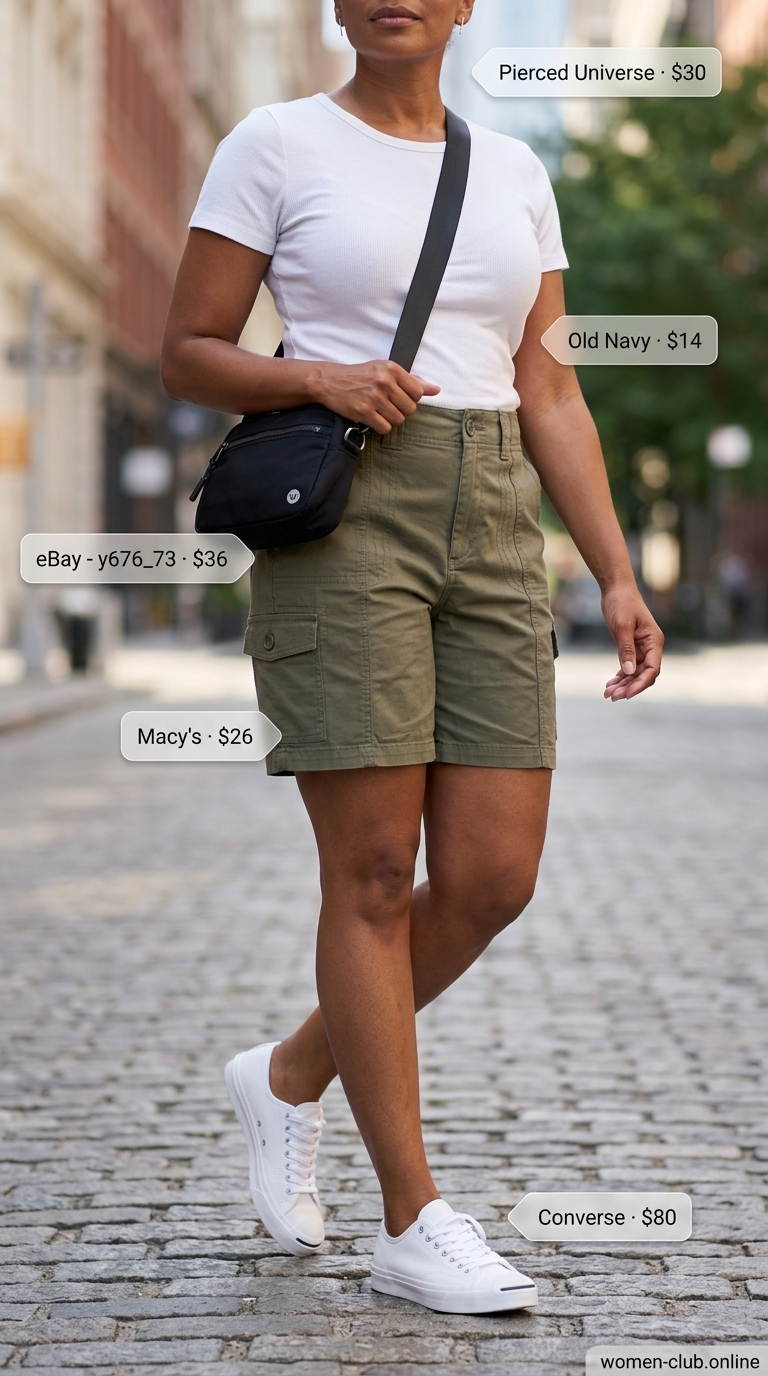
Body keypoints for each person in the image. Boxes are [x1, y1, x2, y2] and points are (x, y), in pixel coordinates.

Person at [161, 0, 663, 1316]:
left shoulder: (514, 172)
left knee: (493, 875)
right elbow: (188, 350)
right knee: (377, 870)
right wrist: (318, 379)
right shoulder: (272, 144)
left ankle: (286, 1073)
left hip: (496, 515)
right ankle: (411, 1216)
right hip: (348, 515)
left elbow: (550, 385)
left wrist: (613, 568)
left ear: (461, 8)